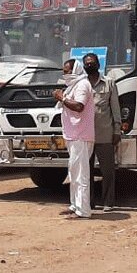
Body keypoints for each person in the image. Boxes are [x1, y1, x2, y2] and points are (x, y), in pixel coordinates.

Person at [54, 53, 96, 218]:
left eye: (67, 72)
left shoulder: (82, 85)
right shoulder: (73, 85)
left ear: (76, 71)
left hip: (81, 136)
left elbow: (79, 106)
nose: (65, 75)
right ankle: (75, 205)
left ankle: (84, 209)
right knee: (74, 172)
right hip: (73, 135)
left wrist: (62, 98)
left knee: (81, 174)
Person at [87, 55, 121, 210]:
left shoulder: (109, 83)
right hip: (85, 135)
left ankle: (108, 202)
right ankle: (88, 202)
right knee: (86, 172)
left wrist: (117, 130)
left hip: (105, 134)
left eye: (92, 63)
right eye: (86, 63)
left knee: (107, 171)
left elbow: (115, 109)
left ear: (98, 64)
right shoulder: (82, 84)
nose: (89, 65)